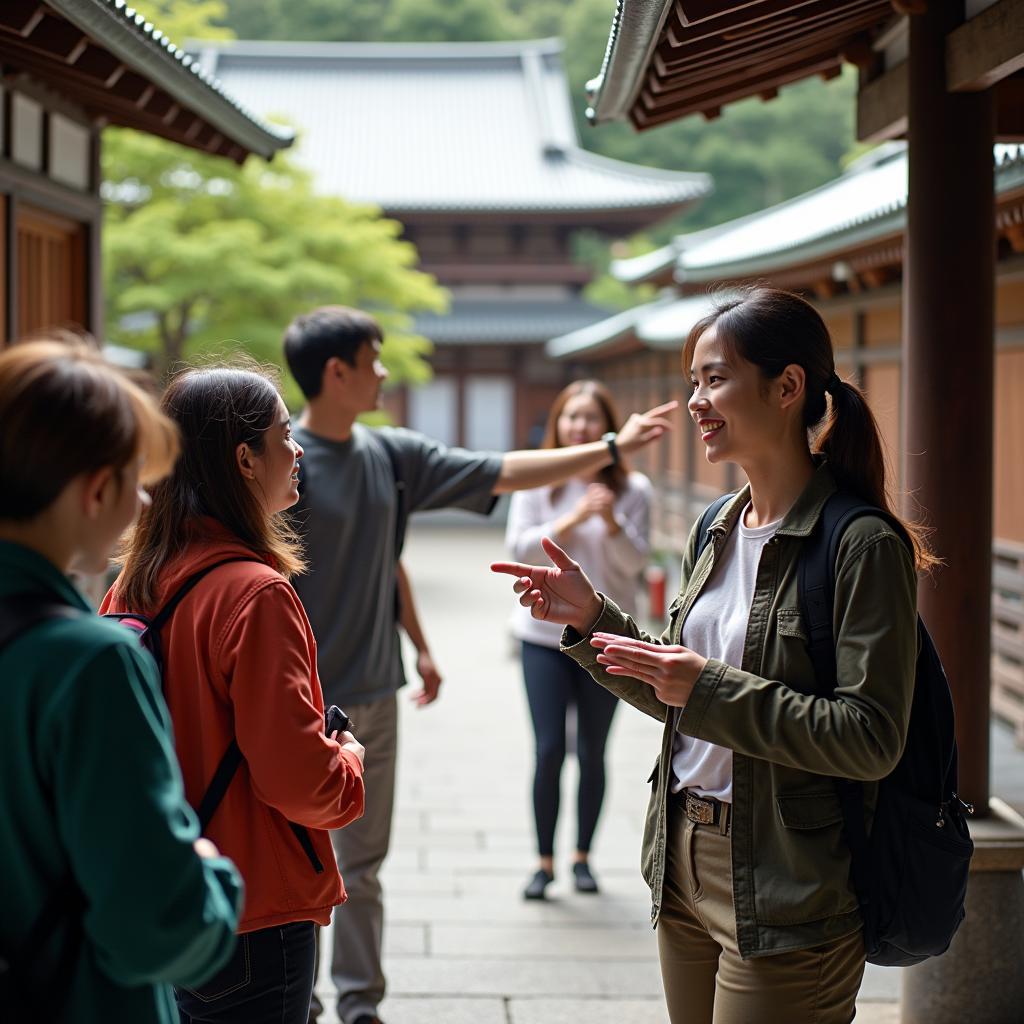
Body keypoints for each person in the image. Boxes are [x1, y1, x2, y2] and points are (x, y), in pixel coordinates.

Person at [492, 287, 930, 1024]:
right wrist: (592, 618)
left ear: (788, 387)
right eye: (693, 381)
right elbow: (680, 685)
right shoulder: (717, 525)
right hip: (683, 859)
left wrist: (706, 689)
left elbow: (871, 738)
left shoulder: (861, 545)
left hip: (792, 882)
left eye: (715, 378)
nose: (695, 400)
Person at [281, 305, 675, 1024]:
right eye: (374, 360)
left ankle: (361, 1005)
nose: (386, 372)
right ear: (336, 373)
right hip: (295, 699)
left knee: (362, 866)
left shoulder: (390, 456)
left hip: (373, 690)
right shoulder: (285, 467)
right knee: (299, 860)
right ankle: (298, 1001)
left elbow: (501, 472)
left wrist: (611, 446)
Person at [103, 364, 366, 1024]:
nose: (298, 448)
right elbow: (293, 776)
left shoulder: (132, 584)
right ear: (245, 459)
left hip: (162, 890)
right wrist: (349, 764)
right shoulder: (256, 593)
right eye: (284, 434)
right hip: (252, 906)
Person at [0, 341, 243, 1023]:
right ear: (96, 489)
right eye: (137, 480)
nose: (143, 501)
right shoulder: (88, 662)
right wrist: (210, 872)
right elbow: (158, 927)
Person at [505, 380, 651, 900]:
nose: (580, 427)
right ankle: (543, 863)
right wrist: (573, 518)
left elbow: (634, 566)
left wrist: (611, 522)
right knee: (548, 751)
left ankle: (582, 857)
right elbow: (518, 547)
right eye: (571, 417)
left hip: (605, 639)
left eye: (591, 418)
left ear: (607, 426)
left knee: (593, 750)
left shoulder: (634, 491)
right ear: (558, 425)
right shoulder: (538, 485)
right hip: (541, 638)